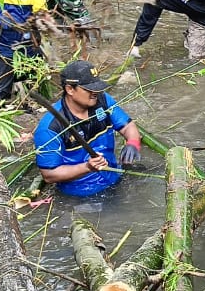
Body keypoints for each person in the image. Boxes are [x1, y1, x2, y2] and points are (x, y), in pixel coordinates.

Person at [34, 60, 142, 197]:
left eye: (97, 87)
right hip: (81, 193)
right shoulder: (50, 128)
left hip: (113, 176)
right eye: (88, 89)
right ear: (70, 89)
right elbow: (49, 175)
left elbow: (128, 126)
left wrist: (133, 143)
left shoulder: (103, 101)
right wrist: (87, 168)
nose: (95, 93)